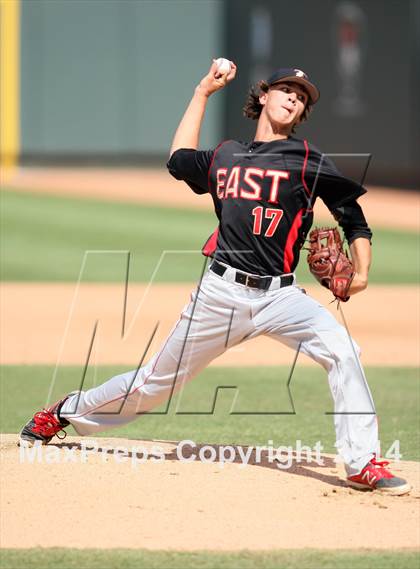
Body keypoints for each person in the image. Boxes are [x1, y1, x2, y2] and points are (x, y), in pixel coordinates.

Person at [19, 61, 410, 495]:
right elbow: (177, 160)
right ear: (263, 96)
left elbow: (352, 217)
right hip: (220, 293)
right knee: (152, 385)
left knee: (344, 352)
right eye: (286, 90)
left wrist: (362, 273)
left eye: (301, 98)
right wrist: (202, 92)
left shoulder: (307, 160)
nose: (293, 98)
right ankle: (65, 412)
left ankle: (362, 463)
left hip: (281, 297)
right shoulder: (225, 154)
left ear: (301, 114)